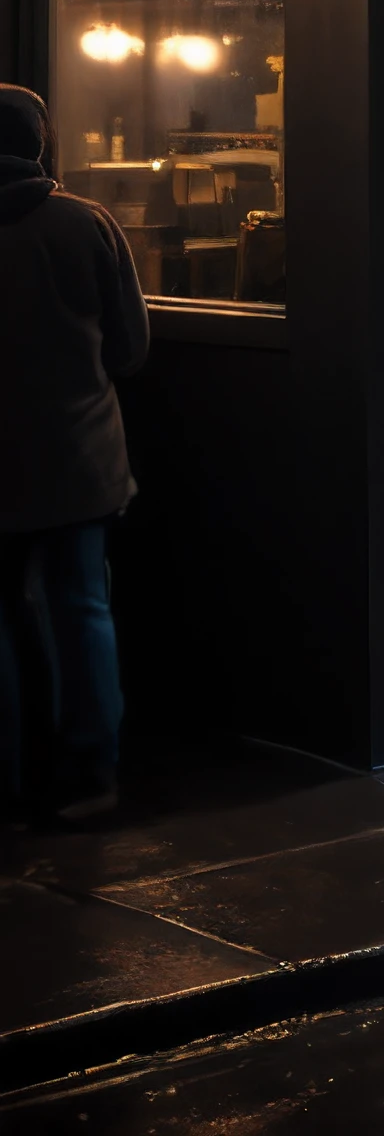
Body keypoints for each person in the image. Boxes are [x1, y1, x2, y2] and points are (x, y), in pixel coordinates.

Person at [0, 82, 148, 823]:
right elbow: (130, 349)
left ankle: (12, 772)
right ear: (41, 144)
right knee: (82, 607)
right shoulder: (85, 223)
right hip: (78, 459)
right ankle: (91, 775)